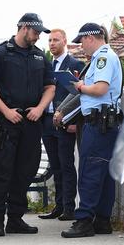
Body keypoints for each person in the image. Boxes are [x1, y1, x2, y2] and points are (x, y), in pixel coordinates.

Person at [0, 13, 55, 236]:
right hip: (6, 122)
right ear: (23, 28)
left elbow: (50, 87)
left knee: (26, 171)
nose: (38, 36)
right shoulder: (1, 54)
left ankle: (15, 218)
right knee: (3, 171)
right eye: (35, 32)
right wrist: (5, 110)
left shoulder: (40, 57)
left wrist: (41, 108)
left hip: (31, 122)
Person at [61, 23, 122, 238]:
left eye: (82, 42)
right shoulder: (104, 57)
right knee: (104, 173)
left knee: (90, 171)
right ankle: (102, 220)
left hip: (99, 123)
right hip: (106, 123)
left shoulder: (103, 57)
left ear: (91, 38)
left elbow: (100, 88)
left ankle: (84, 220)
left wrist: (80, 87)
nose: (81, 47)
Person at [38, 29, 84, 221]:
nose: (52, 43)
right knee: (55, 166)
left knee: (66, 165)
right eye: (49, 40)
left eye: (56, 40)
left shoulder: (75, 64)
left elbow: (79, 95)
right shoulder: (48, 64)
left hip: (65, 121)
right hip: (48, 120)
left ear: (64, 41)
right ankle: (58, 206)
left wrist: (73, 120)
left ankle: (69, 208)